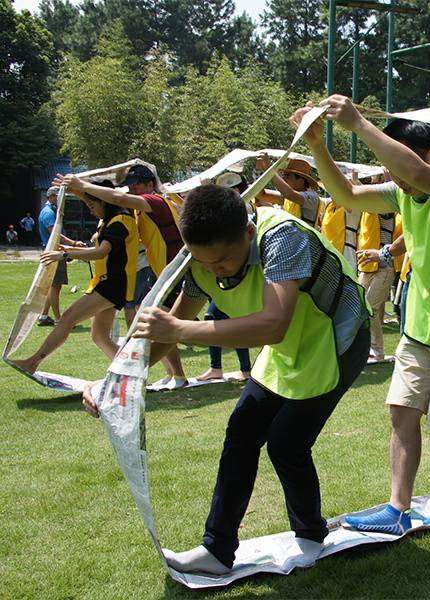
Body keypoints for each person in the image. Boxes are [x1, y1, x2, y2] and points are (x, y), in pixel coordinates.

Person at [85, 184, 370, 574]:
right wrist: (111, 382)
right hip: (291, 344)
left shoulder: (282, 237)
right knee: (242, 430)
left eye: (222, 260)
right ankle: (217, 551)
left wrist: (179, 330)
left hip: (339, 338)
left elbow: (272, 325)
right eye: (205, 262)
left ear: (248, 233)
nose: (214, 269)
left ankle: (310, 535)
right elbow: (169, 333)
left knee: (287, 443)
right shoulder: (199, 261)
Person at [294, 96, 430, 534]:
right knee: (402, 414)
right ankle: (397, 508)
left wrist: (359, 124)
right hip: (421, 326)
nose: (394, 178)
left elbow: (419, 175)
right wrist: (316, 145)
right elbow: (346, 195)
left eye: (397, 165)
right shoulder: (403, 191)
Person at [53, 165, 189, 388]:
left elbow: (117, 198)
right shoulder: (139, 209)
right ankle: (175, 375)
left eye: (137, 185)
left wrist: (81, 185)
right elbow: (109, 204)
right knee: (152, 321)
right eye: (130, 186)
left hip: (178, 273)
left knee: (153, 322)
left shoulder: (154, 201)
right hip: (166, 274)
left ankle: (160, 375)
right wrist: (79, 192)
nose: (132, 189)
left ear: (150, 185)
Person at [13, 182, 138, 373]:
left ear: (105, 202)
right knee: (100, 336)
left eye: (92, 206)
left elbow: (101, 252)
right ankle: (130, 371)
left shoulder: (118, 223)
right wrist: (76, 190)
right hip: (111, 284)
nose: (90, 211)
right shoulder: (113, 220)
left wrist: (65, 254)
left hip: (111, 285)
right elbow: (103, 249)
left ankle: (32, 363)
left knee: (67, 319)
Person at [195, 171, 252, 382]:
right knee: (218, 318)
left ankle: (239, 369)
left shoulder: (242, 210)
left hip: (238, 277)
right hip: (225, 277)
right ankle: (220, 368)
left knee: (218, 318)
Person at [356, 208, 399, 361]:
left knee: (370, 310)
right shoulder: (366, 211)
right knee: (359, 307)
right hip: (367, 267)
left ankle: (377, 350)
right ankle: (365, 347)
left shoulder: (386, 210)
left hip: (384, 268)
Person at [38, 186, 84, 326]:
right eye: (59, 197)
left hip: (54, 251)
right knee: (55, 286)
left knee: (53, 285)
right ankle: (59, 319)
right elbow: (56, 234)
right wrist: (73, 243)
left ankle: (44, 316)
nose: (61, 200)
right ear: (52, 197)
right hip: (54, 253)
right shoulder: (48, 213)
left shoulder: (51, 211)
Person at [257, 156, 321, 228]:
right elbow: (262, 195)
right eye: (284, 175)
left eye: (287, 176)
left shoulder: (312, 197)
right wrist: (260, 171)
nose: (284, 178)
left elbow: (289, 194)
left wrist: (269, 169)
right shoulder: (288, 197)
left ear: (301, 181)